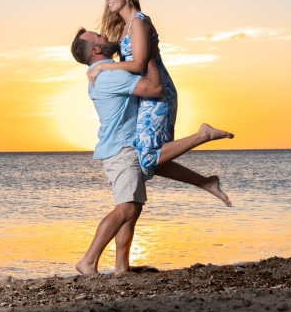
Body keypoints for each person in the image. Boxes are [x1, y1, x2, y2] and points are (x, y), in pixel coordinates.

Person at [71, 28, 233, 275]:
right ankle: (88, 261)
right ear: (95, 50)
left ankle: (121, 267)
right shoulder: (109, 77)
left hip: (125, 147)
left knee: (133, 207)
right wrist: (150, 56)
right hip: (122, 149)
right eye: (99, 37)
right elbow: (155, 88)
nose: (104, 35)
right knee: (126, 208)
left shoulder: (105, 73)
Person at [88, 0, 231, 205]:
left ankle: (203, 135)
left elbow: (139, 65)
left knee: (147, 159)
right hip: (147, 95)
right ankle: (206, 182)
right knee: (150, 160)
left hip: (158, 94)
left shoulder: (138, 22)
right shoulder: (126, 26)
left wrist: (104, 66)